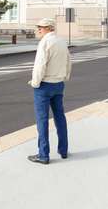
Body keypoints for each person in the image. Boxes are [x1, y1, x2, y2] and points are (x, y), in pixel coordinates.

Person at [27, 18, 71, 165]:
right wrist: (64, 77)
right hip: (58, 84)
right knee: (60, 117)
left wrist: (35, 83)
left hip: (44, 86)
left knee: (42, 120)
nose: (38, 29)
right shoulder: (62, 41)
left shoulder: (45, 42)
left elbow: (40, 65)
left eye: (40, 27)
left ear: (48, 28)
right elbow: (68, 62)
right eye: (38, 27)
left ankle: (43, 155)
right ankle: (63, 150)